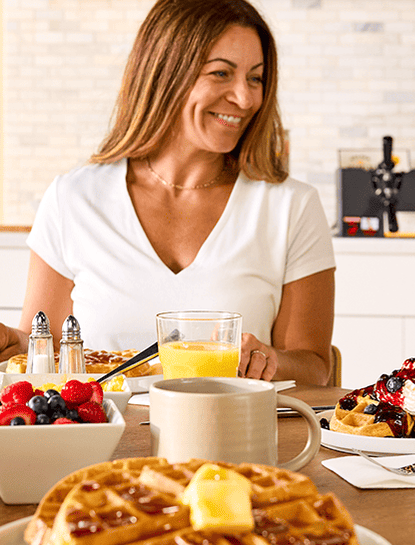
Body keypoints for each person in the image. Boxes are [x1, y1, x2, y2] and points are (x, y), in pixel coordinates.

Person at [0, 0, 336, 385]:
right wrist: (14, 342)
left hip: (232, 438)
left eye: (256, 79)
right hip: (99, 439)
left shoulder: (291, 207)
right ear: (164, 72)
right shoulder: (72, 199)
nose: (245, 99)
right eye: (221, 73)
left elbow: (315, 367)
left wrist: (268, 360)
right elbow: (45, 354)